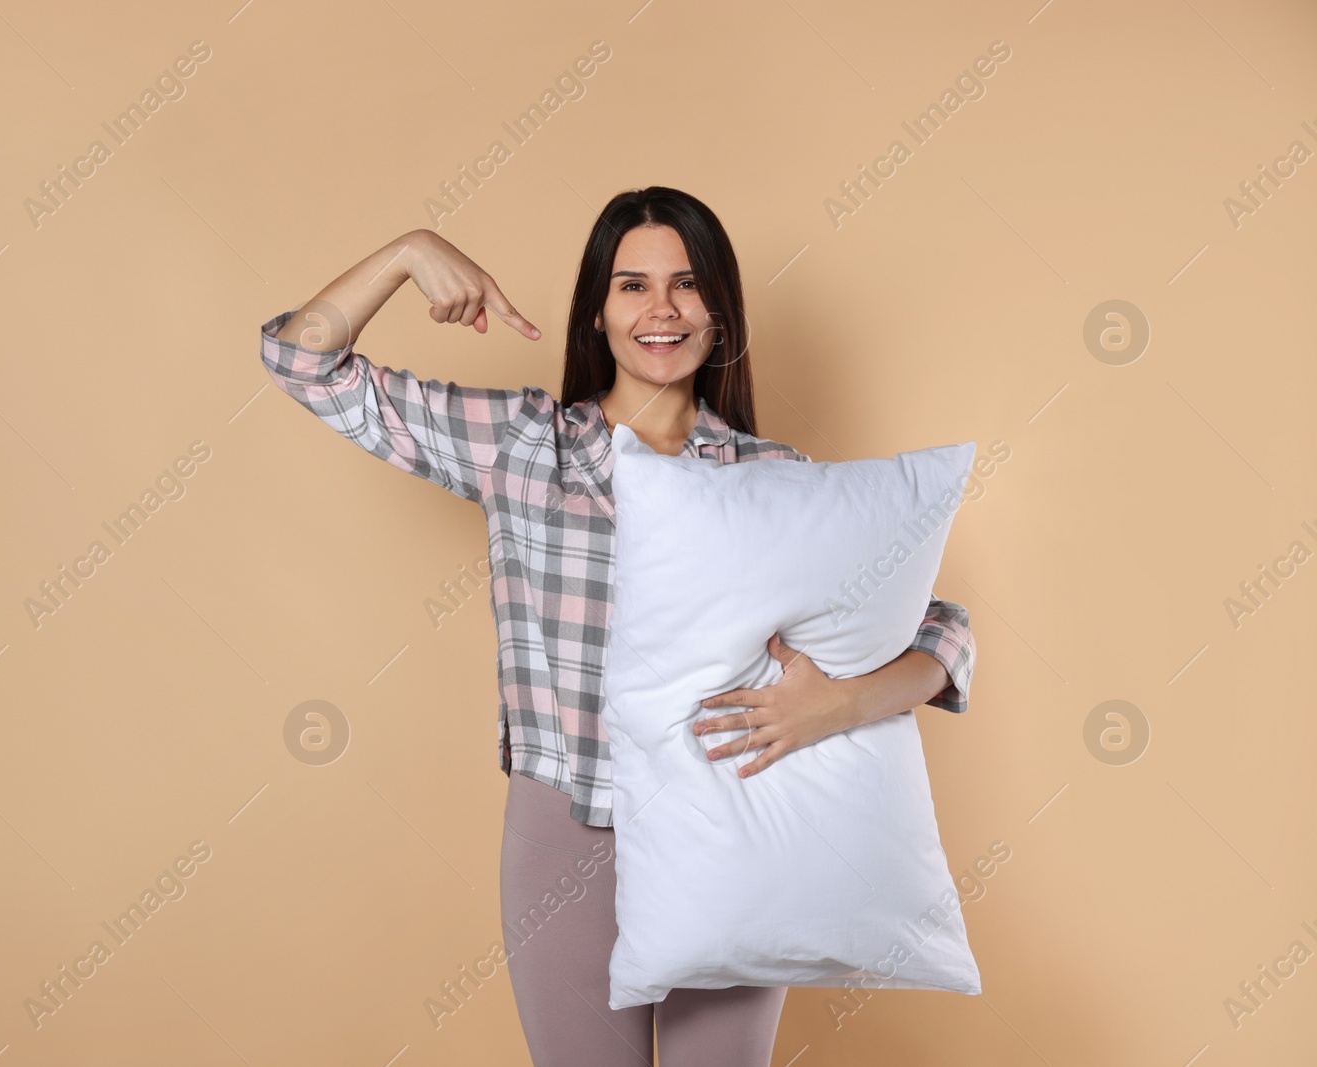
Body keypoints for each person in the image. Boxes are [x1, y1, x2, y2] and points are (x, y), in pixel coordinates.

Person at [258, 186, 975, 1066]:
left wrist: (836, 704)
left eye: (686, 284)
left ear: (720, 310)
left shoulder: (768, 475)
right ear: (596, 313)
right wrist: (408, 252)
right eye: (632, 286)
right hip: (563, 831)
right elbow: (304, 363)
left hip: (728, 827)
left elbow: (940, 630)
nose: (661, 309)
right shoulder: (525, 447)